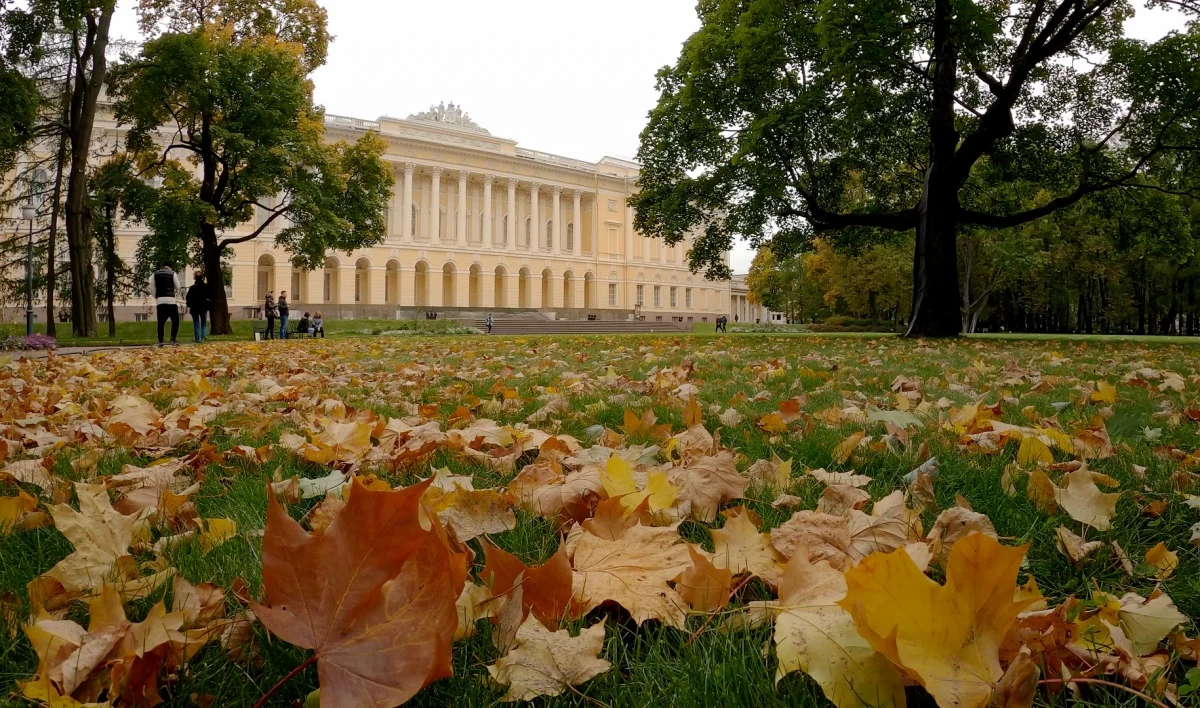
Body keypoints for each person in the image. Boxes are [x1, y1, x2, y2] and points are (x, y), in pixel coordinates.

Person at [151, 264, 182, 346]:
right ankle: (172, 338)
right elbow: (178, 286)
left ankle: (161, 340)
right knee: (175, 321)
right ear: (170, 267)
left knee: (161, 322)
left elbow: (152, 288)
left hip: (160, 301)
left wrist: (157, 297)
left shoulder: (155, 274)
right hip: (170, 300)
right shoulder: (172, 273)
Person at [185, 274, 210, 343]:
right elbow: (209, 296)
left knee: (196, 322)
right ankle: (203, 337)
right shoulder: (206, 286)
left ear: (195, 279)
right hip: (203, 307)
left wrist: (189, 304)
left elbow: (188, 297)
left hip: (194, 308)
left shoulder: (192, 288)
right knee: (204, 322)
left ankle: (197, 338)